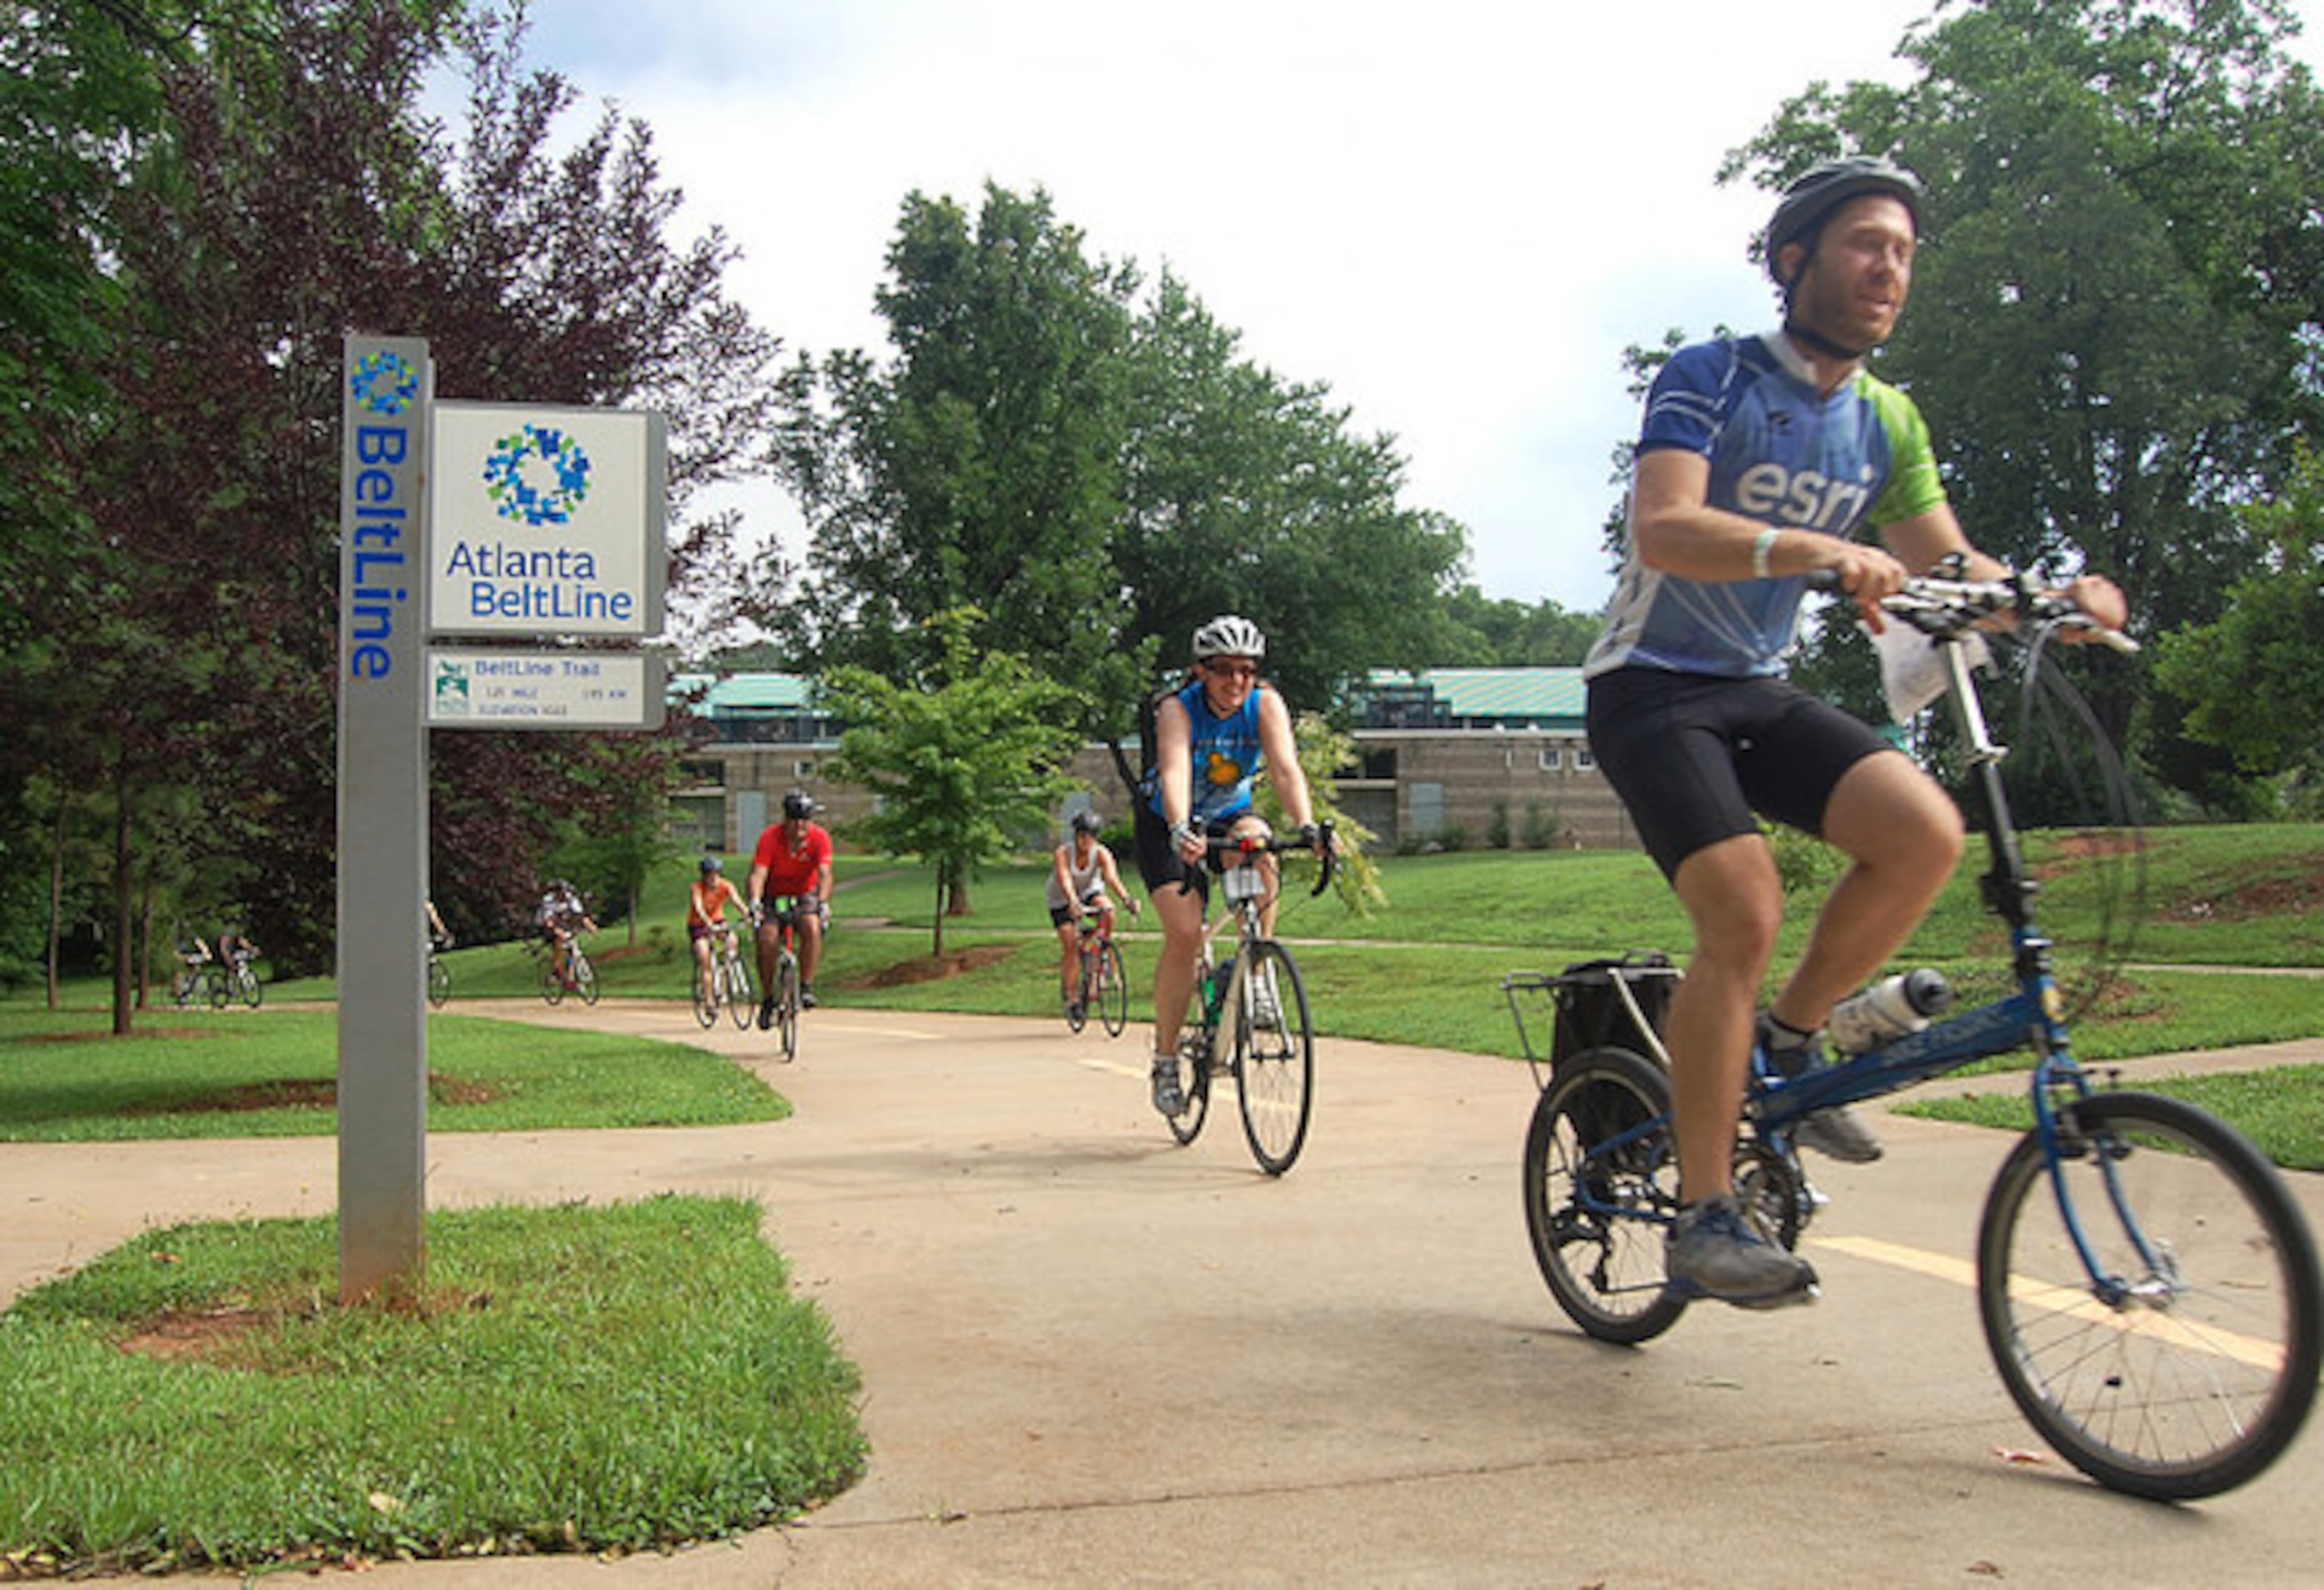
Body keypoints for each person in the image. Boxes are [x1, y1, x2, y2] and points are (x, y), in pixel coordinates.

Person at [1581, 156, 2127, 1308]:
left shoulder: (1886, 419)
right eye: (1868, 245)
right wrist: (1817, 549)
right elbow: (1667, 527)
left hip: (1755, 687)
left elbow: (1948, 560)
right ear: (1795, 261)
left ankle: (1790, 1041)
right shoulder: (1712, 374)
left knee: (1925, 833)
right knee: (1744, 909)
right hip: (1652, 686)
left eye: (1906, 254)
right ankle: (1705, 1213)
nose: (1891, 270)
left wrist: (2048, 598)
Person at [1134, 615, 1330, 1116]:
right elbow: (1176, 770)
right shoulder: (1178, 708)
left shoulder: (1266, 705)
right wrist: (1181, 827)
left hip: (1228, 815)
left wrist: (1307, 825)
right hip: (1167, 820)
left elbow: (1285, 769)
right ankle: (1165, 1060)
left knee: (1259, 845)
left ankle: (1256, 970)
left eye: (1247, 670)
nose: (1237, 680)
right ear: (1202, 670)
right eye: (1224, 669)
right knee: (1186, 935)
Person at [747, 788, 835, 1027]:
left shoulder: (820, 838)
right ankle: (768, 998)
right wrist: (755, 901)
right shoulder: (770, 838)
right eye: (796, 820)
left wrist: (823, 903)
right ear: (786, 820)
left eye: (806, 820)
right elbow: (758, 873)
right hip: (773, 894)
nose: (801, 827)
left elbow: (825, 874)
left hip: (804, 893)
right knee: (767, 940)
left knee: (812, 927)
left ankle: (806, 986)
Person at [1048, 810, 1140, 1020]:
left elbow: (1112, 878)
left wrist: (1127, 900)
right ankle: (1072, 999)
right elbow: (1065, 879)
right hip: (1062, 898)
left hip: (1090, 891)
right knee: (1070, 944)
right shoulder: (1064, 853)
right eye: (1082, 835)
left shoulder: (1101, 853)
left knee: (1108, 910)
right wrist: (1073, 902)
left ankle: (1102, 954)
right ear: (1076, 835)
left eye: (1091, 835)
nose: (1086, 840)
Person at [688, 855, 748, 990]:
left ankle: (725, 981)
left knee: (732, 941)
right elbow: (698, 907)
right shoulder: (697, 888)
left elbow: (737, 902)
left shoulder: (726, 885)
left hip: (718, 920)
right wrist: (707, 921)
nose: (714, 879)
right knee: (705, 957)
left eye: (716, 874)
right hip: (698, 924)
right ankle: (709, 998)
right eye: (710, 875)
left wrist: (748, 915)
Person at [534, 878, 596, 989]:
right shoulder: (548, 901)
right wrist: (557, 931)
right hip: (547, 926)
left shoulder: (571, 899)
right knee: (559, 942)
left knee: (572, 948)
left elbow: (580, 915)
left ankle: (568, 976)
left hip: (563, 924)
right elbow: (548, 921)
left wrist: (590, 925)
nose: (562, 895)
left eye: (563, 892)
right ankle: (557, 967)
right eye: (559, 893)